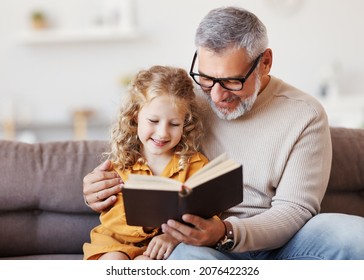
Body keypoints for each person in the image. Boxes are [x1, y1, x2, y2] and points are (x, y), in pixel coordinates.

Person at [83, 7, 364, 259]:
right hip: (201, 246)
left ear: (265, 62)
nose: (216, 95)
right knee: (189, 258)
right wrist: (97, 188)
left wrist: (226, 232)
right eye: (206, 78)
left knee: (352, 234)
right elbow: (142, 151)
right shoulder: (184, 103)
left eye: (232, 81)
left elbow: (295, 210)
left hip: (284, 244)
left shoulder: (305, 114)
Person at [83, 65, 208, 260]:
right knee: (113, 261)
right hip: (115, 242)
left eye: (174, 124)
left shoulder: (195, 165)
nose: (162, 133)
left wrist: (172, 236)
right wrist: (148, 223)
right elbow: (112, 218)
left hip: (160, 248)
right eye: (153, 121)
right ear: (135, 116)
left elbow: (207, 217)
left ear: (186, 122)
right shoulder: (122, 161)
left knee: (145, 264)